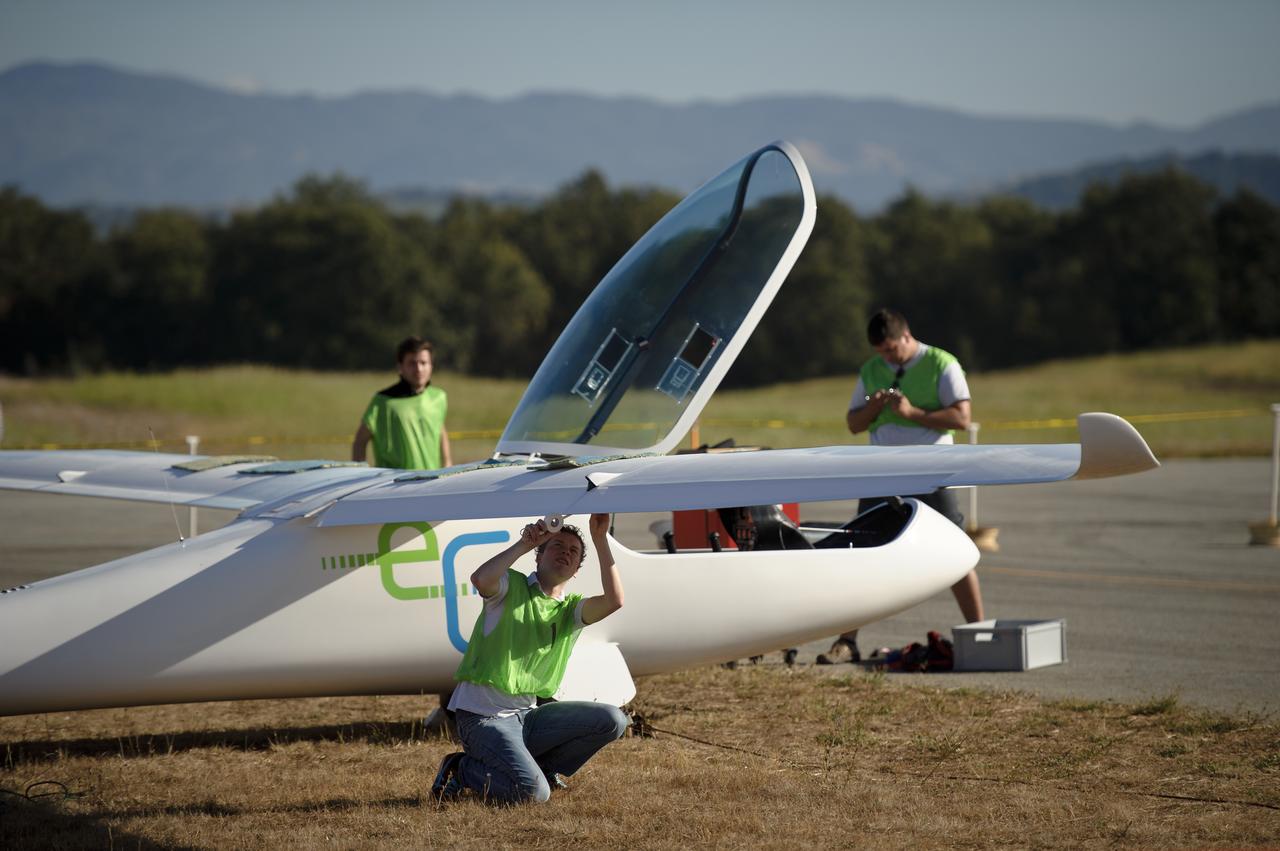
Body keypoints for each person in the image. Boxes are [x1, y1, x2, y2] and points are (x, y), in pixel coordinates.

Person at [817, 308, 985, 665]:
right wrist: (874, 408)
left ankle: (980, 633)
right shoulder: (871, 370)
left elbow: (962, 417)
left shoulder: (942, 364)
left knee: (956, 552)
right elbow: (853, 424)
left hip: (930, 470)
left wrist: (914, 415)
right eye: (881, 352)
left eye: (891, 349)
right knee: (861, 551)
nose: (886, 357)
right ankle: (847, 641)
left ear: (907, 337)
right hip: (882, 472)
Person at [431, 514, 629, 804]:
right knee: (533, 794)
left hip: (528, 716)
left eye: (573, 552)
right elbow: (480, 579)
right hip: (484, 718)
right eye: (557, 545)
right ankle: (460, 769)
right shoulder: (510, 586)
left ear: (576, 570)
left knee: (613, 720)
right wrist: (524, 543)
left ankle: (545, 769)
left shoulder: (570, 610)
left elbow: (615, 601)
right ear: (539, 557)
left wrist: (600, 539)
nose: (566, 553)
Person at [352, 336, 452, 470]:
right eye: (412, 363)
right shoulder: (383, 401)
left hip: (431, 482)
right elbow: (360, 441)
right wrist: (361, 474)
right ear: (400, 367)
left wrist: (447, 463)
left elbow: (439, 429)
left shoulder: (439, 397)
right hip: (394, 486)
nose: (419, 369)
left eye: (423, 363)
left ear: (431, 366)